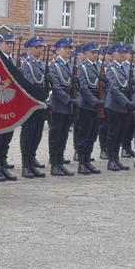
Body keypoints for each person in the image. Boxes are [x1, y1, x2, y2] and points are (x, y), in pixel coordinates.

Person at [0, 33, 18, 182]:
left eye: (11, 43)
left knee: (7, 135)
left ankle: (3, 164)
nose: (10, 45)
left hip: (10, 103)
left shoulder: (13, 60)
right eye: (7, 43)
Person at [19, 36, 48, 179]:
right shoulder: (27, 65)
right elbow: (30, 85)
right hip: (31, 104)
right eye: (36, 47)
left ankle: (32, 162)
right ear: (29, 49)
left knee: (37, 134)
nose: (39, 50)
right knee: (28, 134)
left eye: (41, 47)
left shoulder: (42, 65)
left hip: (41, 104)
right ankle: (25, 165)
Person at [48, 37, 77, 176]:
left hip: (68, 107)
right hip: (59, 105)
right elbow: (56, 86)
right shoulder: (54, 66)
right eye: (65, 48)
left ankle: (60, 162)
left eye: (70, 48)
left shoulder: (71, 66)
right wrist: (68, 100)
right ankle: (54, 164)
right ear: (58, 50)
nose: (68, 51)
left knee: (64, 136)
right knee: (55, 136)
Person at [75, 42, 104, 175]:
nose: (95, 54)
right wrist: (95, 102)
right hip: (86, 106)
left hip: (96, 105)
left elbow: (101, 86)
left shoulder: (98, 67)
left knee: (93, 135)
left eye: (96, 52)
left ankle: (88, 160)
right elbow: (84, 88)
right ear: (86, 53)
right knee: (84, 135)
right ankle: (82, 163)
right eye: (93, 52)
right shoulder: (82, 67)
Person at [104, 44, 133, 171]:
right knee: (113, 134)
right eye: (120, 52)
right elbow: (114, 89)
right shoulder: (111, 68)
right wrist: (126, 102)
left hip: (124, 106)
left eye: (124, 52)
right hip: (115, 105)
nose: (123, 54)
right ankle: (111, 160)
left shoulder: (126, 68)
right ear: (113, 54)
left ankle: (116, 158)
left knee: (121, 133)